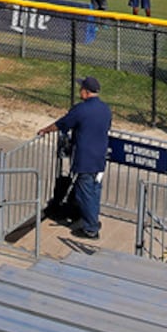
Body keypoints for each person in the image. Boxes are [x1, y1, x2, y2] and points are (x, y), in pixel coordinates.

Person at [37, 76, 113, 239]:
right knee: (94, 189)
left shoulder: (81, 109)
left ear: (86, 92)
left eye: (81, 89)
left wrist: (45, 130)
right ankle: (92, 219)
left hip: (85, 159)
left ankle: (91, 228)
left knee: (84, 193)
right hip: (100, 157)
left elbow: (62, 123)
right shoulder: (106, 109)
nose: (79, 91)